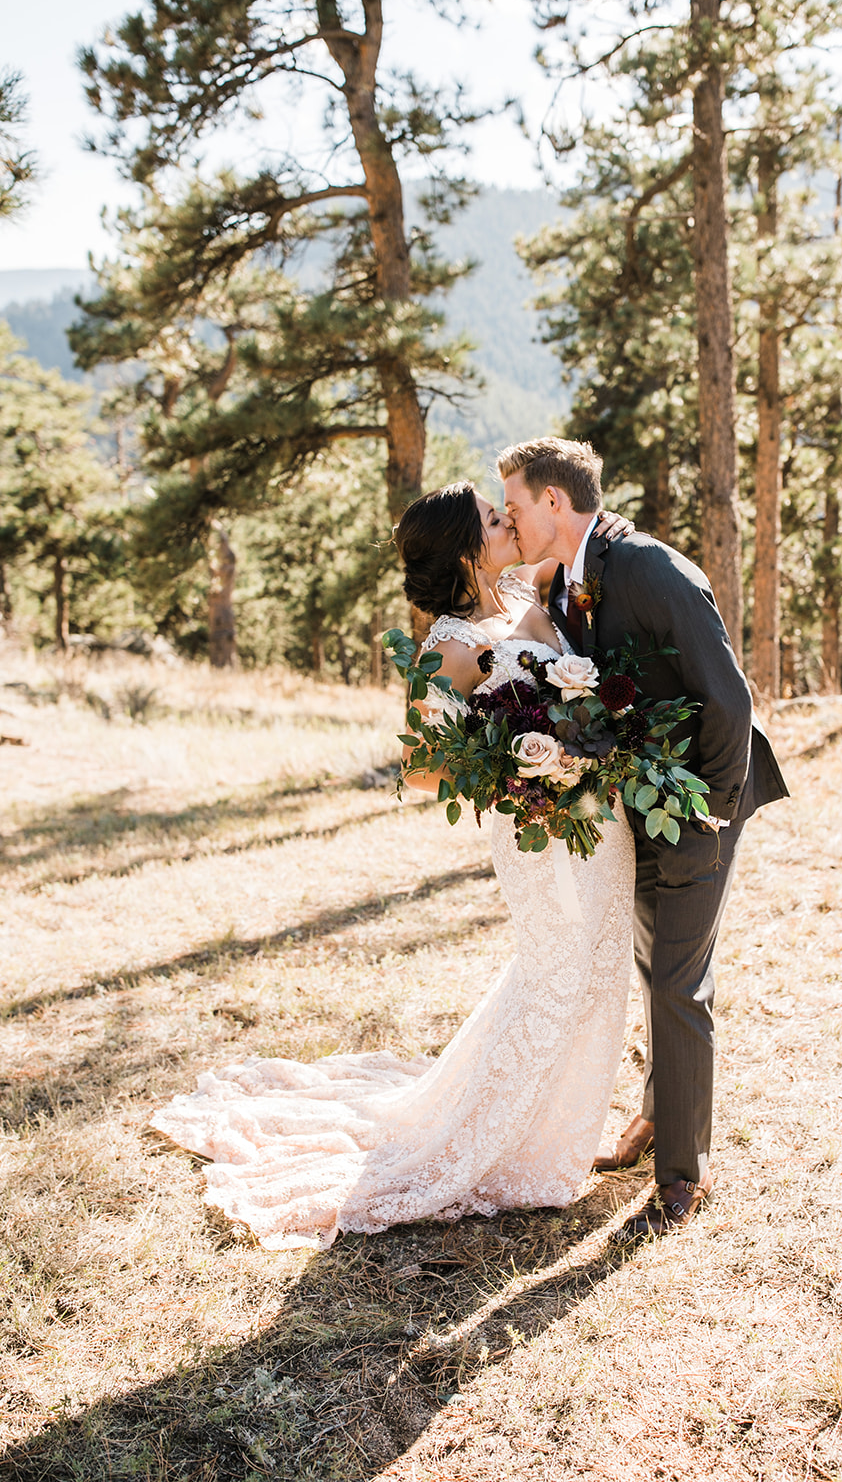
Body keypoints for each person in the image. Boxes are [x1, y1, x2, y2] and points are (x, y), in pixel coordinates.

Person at [150, 484, 638, 1249]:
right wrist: (514, 767)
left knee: (600, 970)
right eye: (489, 517)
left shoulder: (522, 592)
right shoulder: (445, 645)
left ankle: (551, 1128)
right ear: (466, 549)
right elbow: (417, 767)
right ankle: (501, 1143)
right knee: (557, 973)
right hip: (537, 830)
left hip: (596, 823)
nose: (506, 519)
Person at [499, 437, 789, 1239]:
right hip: (642, 805)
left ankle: (683, 1173)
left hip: (703, 801)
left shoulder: (655, 569)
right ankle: (656, 1121)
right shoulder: (567, 583)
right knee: (652, 962)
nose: (511, 522)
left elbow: (729, 701)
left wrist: (710, 818)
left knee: (677, 981)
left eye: (516, 507)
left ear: (555, 503)